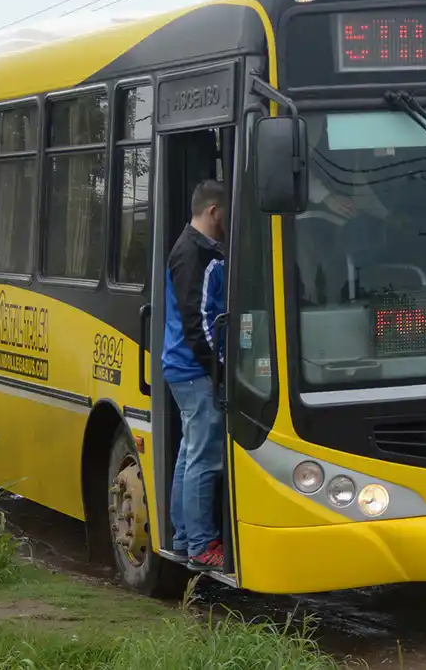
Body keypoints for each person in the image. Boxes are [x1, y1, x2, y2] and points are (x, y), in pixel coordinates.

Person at [161, 180, 228, 571]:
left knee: (190, 454)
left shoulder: (193, 248)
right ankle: (203, 544)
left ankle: (186, 537)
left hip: (182, 367)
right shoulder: (196, 254)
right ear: (214, 211)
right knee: (205, 458)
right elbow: (199, 319)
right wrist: (217, 369)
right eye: (225, 216)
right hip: (194, 369)